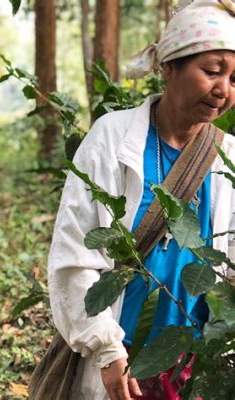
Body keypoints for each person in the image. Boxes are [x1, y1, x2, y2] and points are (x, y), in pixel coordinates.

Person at [47, 1, 235, 399]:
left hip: (195, 361)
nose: (224, 90)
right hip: (123, 355)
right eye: (212, 71)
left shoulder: (228, 155)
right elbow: (76, 254)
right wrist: (107, 350)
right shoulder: (113, 138)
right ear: (168, 66)